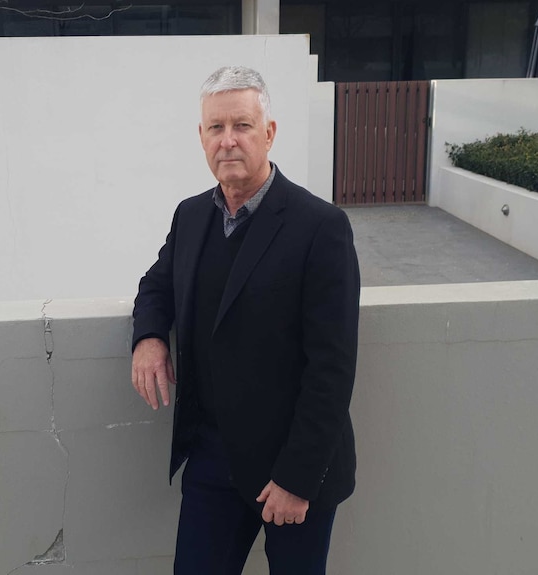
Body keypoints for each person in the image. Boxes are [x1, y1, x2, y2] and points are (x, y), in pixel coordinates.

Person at [131, 66, 360, 574]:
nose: (228, 140)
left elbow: (333, 366)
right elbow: (157, 284)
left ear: (269, 133)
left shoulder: (320, 228)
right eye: (216, 128)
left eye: (242, 126)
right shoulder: (191, 217)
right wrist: (149, 337)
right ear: (202, 137)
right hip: (212, 460)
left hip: (291, 463)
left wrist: (297, 479)